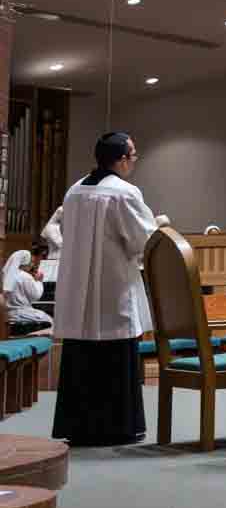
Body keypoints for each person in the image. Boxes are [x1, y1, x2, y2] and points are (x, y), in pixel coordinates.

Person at [50, 132, 157, 445]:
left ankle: (78, 426)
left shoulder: (74, 191)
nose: (134, 161)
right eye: (133, 155)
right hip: (112, 287)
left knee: (81, 357)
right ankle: (116, 427)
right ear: (121, 159)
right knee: (115, 355)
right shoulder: (124, 192)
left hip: (77, 289)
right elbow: (142, 239)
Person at [5, 238, 53, 335]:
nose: (31, 264)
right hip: (21, 313)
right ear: (25, 262)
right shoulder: (24, 276)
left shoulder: (5, 274)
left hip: (7, 313)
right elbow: (36, 296)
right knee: (51, 321)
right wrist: (39, 281)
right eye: (30, 261)